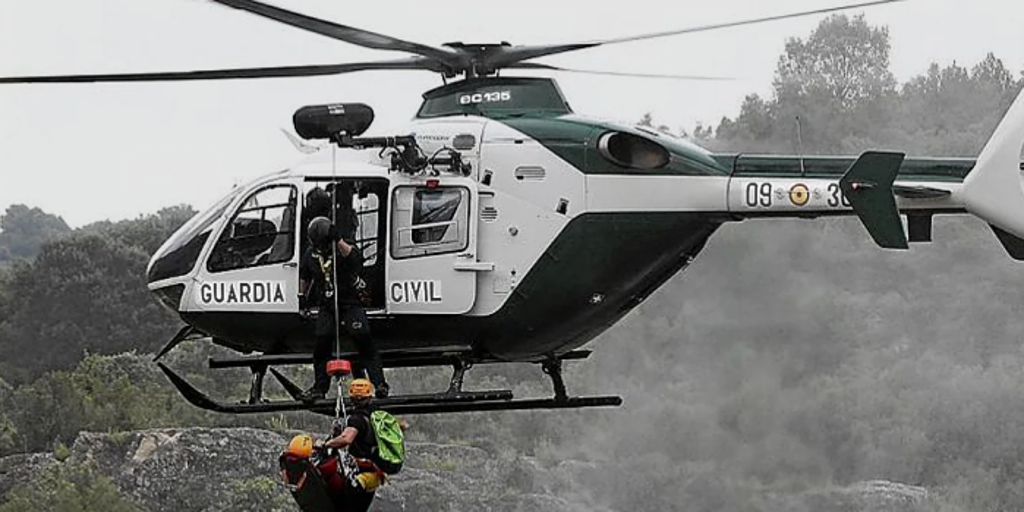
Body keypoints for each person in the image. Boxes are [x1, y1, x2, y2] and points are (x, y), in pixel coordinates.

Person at [298, 216, 388, 401]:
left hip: (350, 303)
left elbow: (356, 258)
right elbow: (305, 276)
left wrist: (337, 239)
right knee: (321, 345)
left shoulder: (342, 249)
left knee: (364, 340)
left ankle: (379, 383)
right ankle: (319, 387)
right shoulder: (311, 254)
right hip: (327, 305)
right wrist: (302, 297)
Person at [319, 379, 407, 512]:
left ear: (352, 398)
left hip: (361, 477)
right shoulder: (376, 414)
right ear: (370, 396)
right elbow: (403, 425)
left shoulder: (356, 419)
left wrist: (326, 444)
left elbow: (347, 439)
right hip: (374, 474)